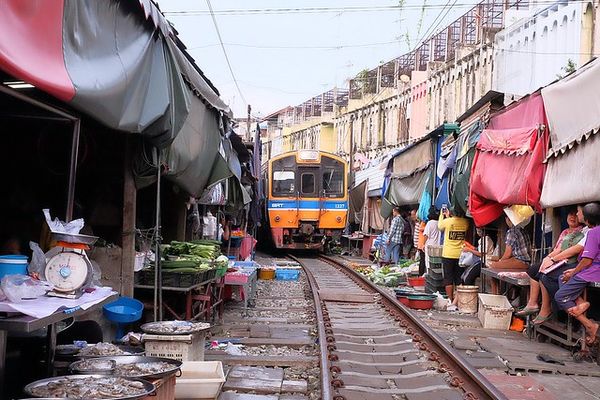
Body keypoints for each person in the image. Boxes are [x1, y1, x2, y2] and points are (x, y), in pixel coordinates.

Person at [517, 206, 584, 319]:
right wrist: (548, 258)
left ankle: (544, 307)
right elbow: (557, 249)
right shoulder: (565, 232)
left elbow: (565, 250)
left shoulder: (580, 233)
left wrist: (552, 259)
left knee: (542, 273)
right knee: (534, 269)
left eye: (575, 214)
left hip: (566, 262)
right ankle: (533, 303)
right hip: (558, 259)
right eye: (570, 214)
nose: (572, 217)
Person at [555, 203, 600, 344]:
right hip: (592, 270)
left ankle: (590, 325)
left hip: (593, 272)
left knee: (560, 296)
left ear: (586, 219)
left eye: (580, 212)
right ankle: (581, 303)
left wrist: (573, 272)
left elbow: (587, 260)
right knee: (562, 278)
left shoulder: (593, 233)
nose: (577, 214)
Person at [438, 207, 469, 300]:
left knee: (448, 278)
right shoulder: (465, 222)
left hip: (448, 254)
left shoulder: (448, 222)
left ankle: (450, 300)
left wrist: (442, 215)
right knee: (459, 278)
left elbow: (440, 227)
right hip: (460, 255)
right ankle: (458, 300)